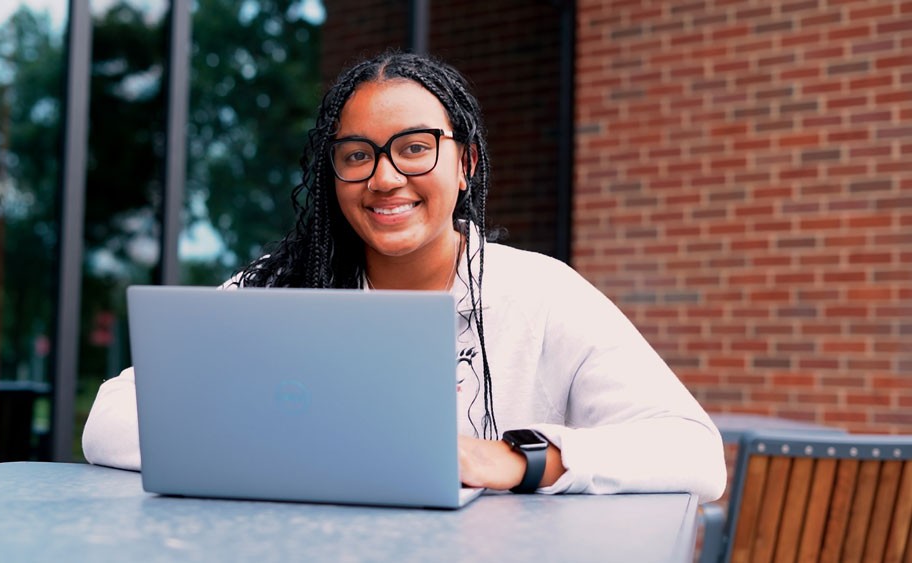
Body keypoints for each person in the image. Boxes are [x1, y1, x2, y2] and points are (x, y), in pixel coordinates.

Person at [83, 51, 726, 500]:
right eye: (356, 155)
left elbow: (692, 453)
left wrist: (514, 459)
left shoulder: (542, 294)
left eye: (414, 148)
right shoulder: (280, 289)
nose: (385, 177)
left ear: (465, 161)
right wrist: (326, 443)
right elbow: (110, 420)